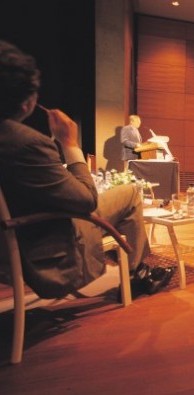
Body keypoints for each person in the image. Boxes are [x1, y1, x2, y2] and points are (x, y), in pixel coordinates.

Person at [0, 40, 172, 299]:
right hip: (43, 246)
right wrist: (69, 144)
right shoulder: (26, 143)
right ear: (27, 103)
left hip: (12, 239)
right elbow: (86, 201)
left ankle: (137, 269)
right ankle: (138, 274)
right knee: (130, 193)